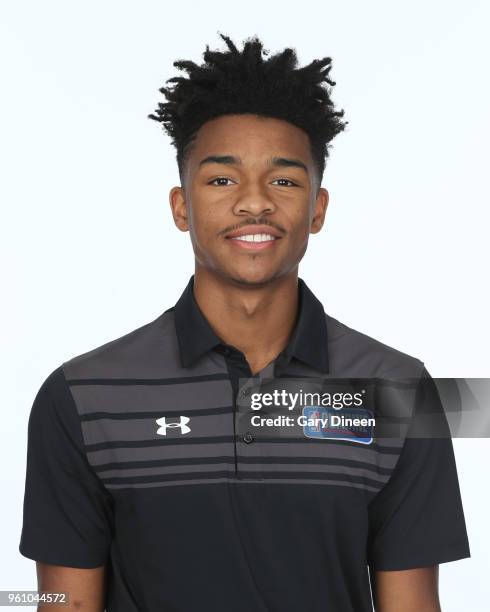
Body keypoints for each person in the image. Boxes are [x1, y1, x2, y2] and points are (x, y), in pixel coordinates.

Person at [19, 33, 470, 611]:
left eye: (283, 180)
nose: (254, 203)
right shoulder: (81, 396)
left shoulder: (400, 390)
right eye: (222, 179)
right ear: (181, 206)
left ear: (318, 208)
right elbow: (65, 604)